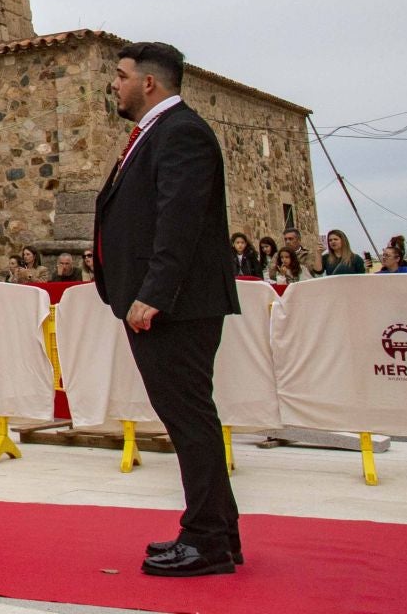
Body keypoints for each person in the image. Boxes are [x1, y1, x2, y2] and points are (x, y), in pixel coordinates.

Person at [93, 41, 240, 577]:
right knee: (189, 418)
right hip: (167, 303)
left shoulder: (181, 134)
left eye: (121, 75)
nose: (115, 84)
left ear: (148, 83)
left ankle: (206, 541)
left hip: (175, 307)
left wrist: (153, 293)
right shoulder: (159, 134)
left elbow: (180, 220)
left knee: (190, 420)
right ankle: (220, 533)